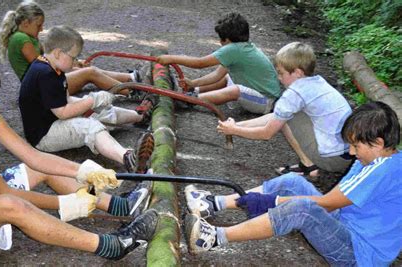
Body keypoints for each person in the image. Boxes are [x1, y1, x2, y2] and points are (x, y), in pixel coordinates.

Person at [0, 51, 159, 260]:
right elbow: (4, 192)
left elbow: (33, 156)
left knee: (38, 168)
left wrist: (84, 171)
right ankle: (112, 245)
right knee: (10, 204)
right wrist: (66, 203)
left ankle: (121, 206)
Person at [184, 101, 402, 266]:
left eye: (356, 145)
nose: (352, 152)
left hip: (358, 254)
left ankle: (211, 238)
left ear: (378, 143)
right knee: (291, 181)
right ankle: (211, 204)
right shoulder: (376, 159)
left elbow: (325, 204)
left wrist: (271, 201)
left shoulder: (384, 169)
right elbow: (334, 200)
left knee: (303, 209)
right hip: (346, 227)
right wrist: (272, 200)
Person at [19, 25, 154, 174]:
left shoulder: (51, 66)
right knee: (89, 126)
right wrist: (92, 100)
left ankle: (140, 116)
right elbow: (63, 113)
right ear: (58, 53)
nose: (75, 61)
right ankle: (127, 158)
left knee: (98, 110)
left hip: (52, 120)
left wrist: (93, 103)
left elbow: (65, 99)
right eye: (73, 57)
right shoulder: (46, 75)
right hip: (44, 135)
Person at [217, 42, 353, 177]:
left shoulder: (295, 94)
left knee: (288, 116)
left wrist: (234, 130)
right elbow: (276, 116)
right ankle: (308, 164)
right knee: (286, 114)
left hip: (332, 160)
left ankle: (309, 165)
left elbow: (266, 133)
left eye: (281, 73)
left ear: (298, 73)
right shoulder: (318, 82)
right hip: (348, 154)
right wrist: (236, 125)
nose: (278, 77)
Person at [0, 0, 145, 95]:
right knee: (90, 73)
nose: (41, 29)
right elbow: (42, 66)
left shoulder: (26, 36)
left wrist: (73, 63)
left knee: (84, 70)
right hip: (40, 89)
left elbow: (49, 61)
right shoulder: (20, 39)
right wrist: (70, 66)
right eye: (39, 25)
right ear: (25, 23)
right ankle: (131, 91)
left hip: (43, 83)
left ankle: (131, 78)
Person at [156, 12, 281, 115]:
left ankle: (191, 100)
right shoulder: (243, 48)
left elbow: (200, 63)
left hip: (266, 101)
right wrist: (193, 84)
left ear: (226, 39)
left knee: (236, 90)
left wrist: (171, 58)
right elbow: (217, 75)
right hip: (259, 95)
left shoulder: (234, 49)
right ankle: (195, 91)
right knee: (227, 77)